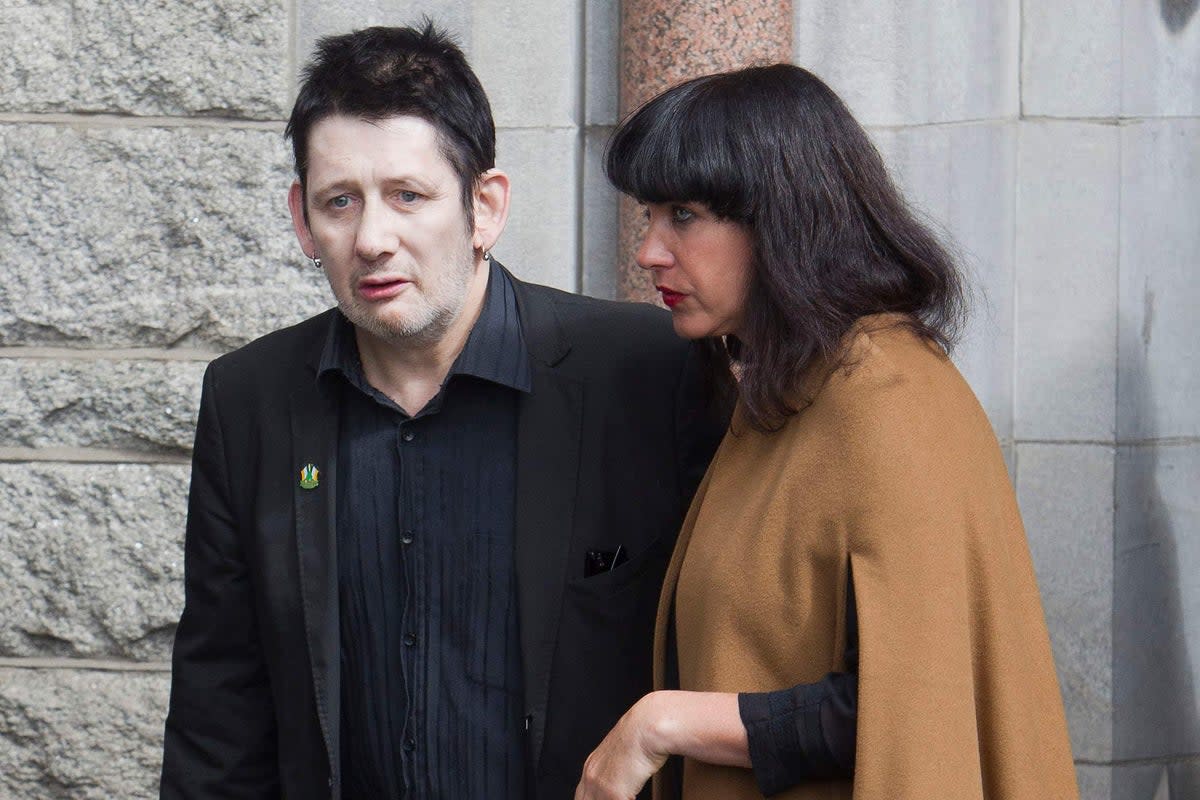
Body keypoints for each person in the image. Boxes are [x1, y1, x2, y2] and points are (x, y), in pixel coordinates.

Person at [160, 22, 723, 800]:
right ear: (302, 220)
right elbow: (219, 711)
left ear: (484, 206)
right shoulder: (249, 399)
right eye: (339, 202)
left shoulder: (650, 371)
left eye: (408, 196)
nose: (372, 239)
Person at [576, 64, 1078, 800]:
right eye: (649, 216)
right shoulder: (787, 389)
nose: (650, 250)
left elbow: (909, 713)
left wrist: (661, 723)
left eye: (681, 214)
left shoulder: (889, 399)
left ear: (782, 215)